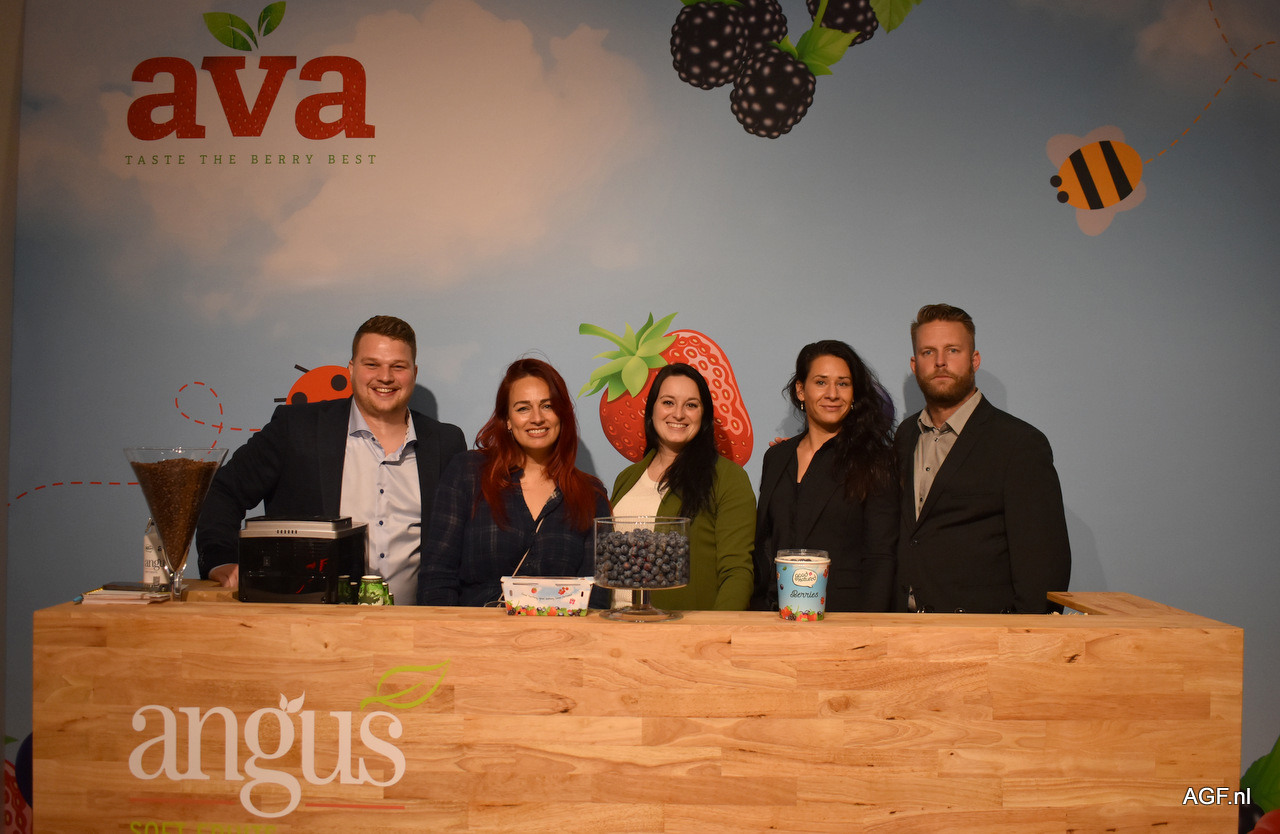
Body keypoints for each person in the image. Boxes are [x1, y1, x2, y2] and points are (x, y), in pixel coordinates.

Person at [196, 316, 467, 603]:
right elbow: (224, 491)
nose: (385, 377)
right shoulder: (296, 429)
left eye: (398, 366)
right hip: (307, 620)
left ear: (414, 372)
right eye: (371, 364)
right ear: (351, 369)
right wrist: (220, 560)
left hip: (415, 625)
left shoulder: (445, 443)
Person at [894, 303, 1070, 614]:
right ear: (914, 364)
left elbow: (1043, 566)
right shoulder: (906, 435)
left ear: (974, 360)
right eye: (928, 352)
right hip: (903, 626)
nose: (940, 362)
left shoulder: (1019, 444)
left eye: (953, 350)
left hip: (982, 631)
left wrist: (1021, 636)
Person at [417, 358, 610, 607]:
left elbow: (596, 595)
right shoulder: (468, 473)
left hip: (557, 632)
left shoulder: (590, 494)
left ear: (562, 415)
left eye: (547, 406)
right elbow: (437, 578)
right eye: (523, 408)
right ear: (507, 419)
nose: (537, 418)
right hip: (474, 629)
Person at [752, 340, 898, 612]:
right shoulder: (776, 457)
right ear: (801, 390)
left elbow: (880, 556)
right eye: (821, 382)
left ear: (854, 393)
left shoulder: (875, 459)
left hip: (843, 617)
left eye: (843, 384)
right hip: (773, 615)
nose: (832, 394)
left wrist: (870, 625)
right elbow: (765, 544)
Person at [610, 363, 755, 610]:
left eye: (691, 405)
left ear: (704, 414)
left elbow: (737, 572)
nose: (678, 414)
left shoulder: (728, 478)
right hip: (615, 625)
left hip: (681, 629)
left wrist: (717, 629)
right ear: (652, 409)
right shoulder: (626, 478)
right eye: (668, 402)